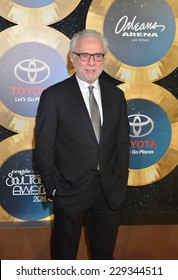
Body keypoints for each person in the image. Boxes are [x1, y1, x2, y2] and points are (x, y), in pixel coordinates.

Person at [35, 29, 130, 260]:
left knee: (104, 257)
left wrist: (119, 181)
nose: (91, 62)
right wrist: (54, 186)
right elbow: (44, 148)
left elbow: (121, 145)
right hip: (69, 191)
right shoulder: (54, 96)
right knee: (64, 258)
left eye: (97, 56)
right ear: (72, 57)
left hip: (108, 193)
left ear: (104, 59)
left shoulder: (116, 96)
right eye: (84, 55)